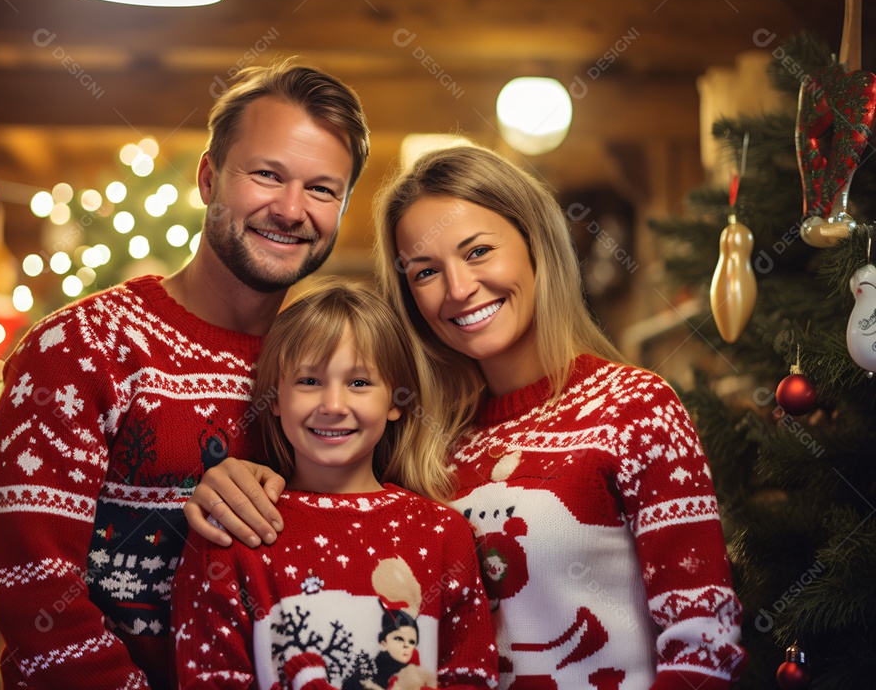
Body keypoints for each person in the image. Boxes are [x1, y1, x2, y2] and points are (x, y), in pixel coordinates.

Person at [187, 144, 747, 690]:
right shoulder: (419, 435)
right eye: (425, 272)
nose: (458, 289)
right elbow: (336, 516)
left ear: (536, 245)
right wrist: (250, 477)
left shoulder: (635, 407)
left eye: (478, 252)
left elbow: (705, 640)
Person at [0, 59, 369, 690]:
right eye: (267, 175)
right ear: (210, 179)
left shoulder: (339, 376)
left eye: (323, 189)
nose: (292, 209)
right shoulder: (81, 347)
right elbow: (36, 600)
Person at [171, 280, 498, 690]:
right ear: (274, 397)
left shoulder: (444, 534)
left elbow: (470, 676)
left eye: (359, 383)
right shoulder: (234, 530)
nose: (333, 406)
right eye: (309, 381)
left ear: (396, 401)